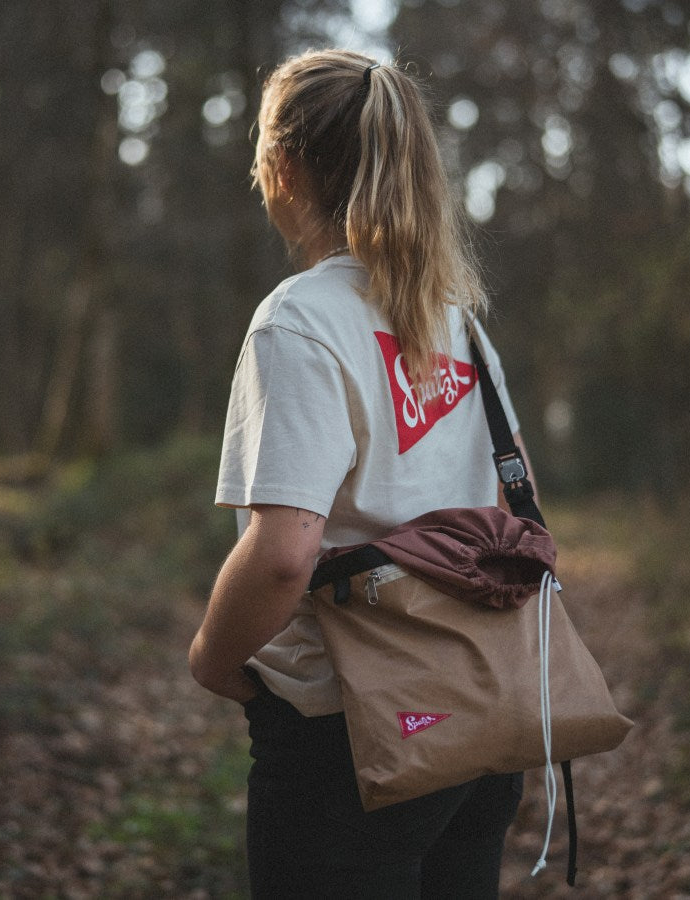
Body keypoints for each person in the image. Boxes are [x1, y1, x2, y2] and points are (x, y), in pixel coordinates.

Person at [189, 48, 534, 899]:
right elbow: (512, 508)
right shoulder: (457, 320)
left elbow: (283, 554)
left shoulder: (299, 321)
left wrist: (211, 657)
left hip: (350, 732)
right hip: (482, 713)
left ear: (285, 165)